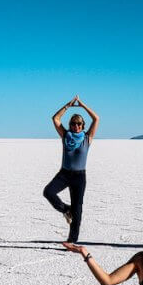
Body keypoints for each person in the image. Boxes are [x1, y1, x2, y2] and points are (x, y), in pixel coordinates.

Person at [43, 95, 99, 246]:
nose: (76, 126)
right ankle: (66, 209)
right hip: (64, 173)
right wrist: (68, 105)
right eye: (73, 123)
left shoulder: (87, 138)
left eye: (79, 124)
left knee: (78, 210)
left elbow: (96, 119)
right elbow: (55, 118)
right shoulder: (66, 135)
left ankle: (72, 241)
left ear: (83, 125)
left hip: (79, 177)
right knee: (48, 192)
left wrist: (82, 105)